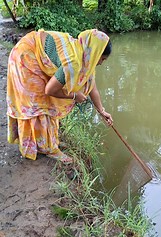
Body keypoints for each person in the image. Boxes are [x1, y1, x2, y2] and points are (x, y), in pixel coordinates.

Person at [6, 28, 113, 163]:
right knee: (39, 103)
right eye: (102, 59)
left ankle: (49, 141)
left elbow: (93, 88)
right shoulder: (73, 62)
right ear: (96, 53)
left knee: (48, 102)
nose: (101, 63)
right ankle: (47, 148)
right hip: (25, 57)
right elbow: (49, 90)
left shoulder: (84, 53)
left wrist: (102, 111)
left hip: (35, 51)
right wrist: (74, 96)